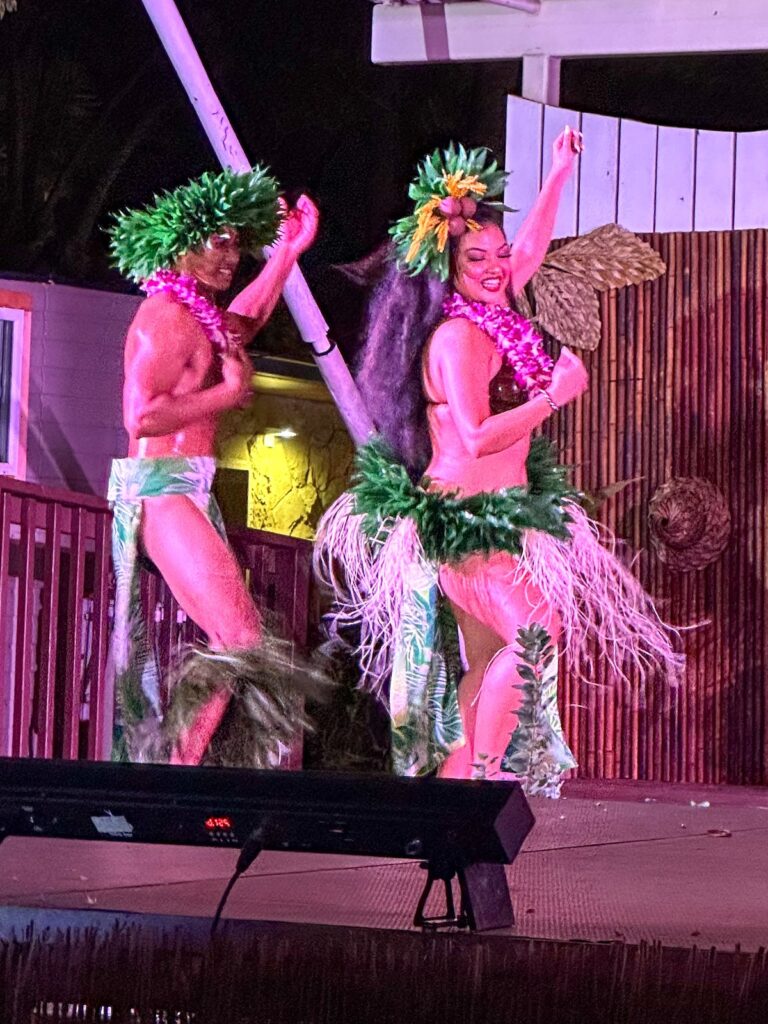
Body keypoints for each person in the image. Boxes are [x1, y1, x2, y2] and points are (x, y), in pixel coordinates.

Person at [315, 135, 683, 796]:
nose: (494, 267)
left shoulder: (499, 310)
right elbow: (479, 435)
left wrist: (561, 171)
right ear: (447, 267)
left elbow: (532, 247)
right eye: (475, 257)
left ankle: (451, 800)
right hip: (464, 519)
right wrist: (553, 395)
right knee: (538, 636)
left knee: (487, 665)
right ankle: (487, 785)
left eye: (497, 255)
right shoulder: (459, 338)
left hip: (505, 515)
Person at [107, 166, 326, 766]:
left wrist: (285, 253)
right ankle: (179, 768)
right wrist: (227, 396)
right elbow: (141, 416)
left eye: (237, 244)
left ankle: (182, 766)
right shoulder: (162, 316)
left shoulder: (198, 312)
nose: (231, 257)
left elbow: (246, 322)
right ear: (182, 245)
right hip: (161, 488)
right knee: (241, 638)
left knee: (239, 639)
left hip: (190, 487)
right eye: (218, 242)